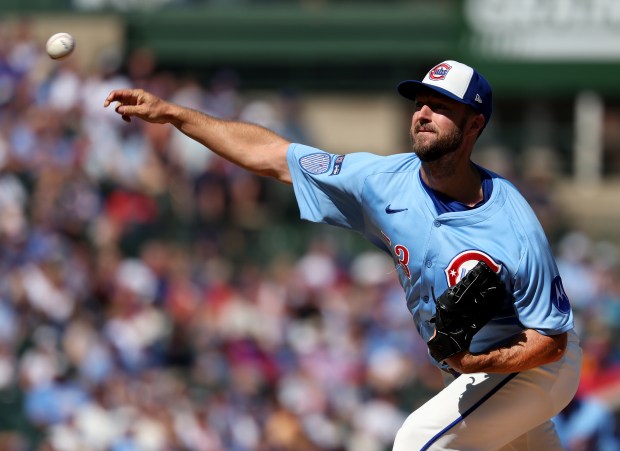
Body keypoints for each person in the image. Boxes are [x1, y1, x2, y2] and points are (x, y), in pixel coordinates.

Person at [105, 60, 583, 450]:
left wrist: (473, 366)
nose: (422, 113)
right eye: (420, 103)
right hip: (484, 372)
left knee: (418, 441)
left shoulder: (514, 224)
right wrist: (174, 114)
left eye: (441, 107)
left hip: (536, 366)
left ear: (474, 124)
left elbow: (553, 341)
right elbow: (274, 156)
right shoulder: (380, 180)